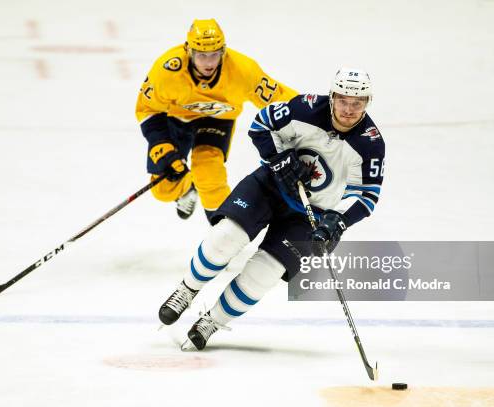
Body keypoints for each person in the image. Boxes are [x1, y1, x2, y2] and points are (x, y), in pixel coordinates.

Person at [158, 67, 386, 350]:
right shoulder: (305, 107)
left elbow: (367, 196)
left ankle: (211, 321)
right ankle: (186, 290)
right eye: (343, 100)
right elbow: (261, 124)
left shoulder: (371, 144)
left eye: (357, 103)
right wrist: (279, 160)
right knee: (225, 237)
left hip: (309, 215)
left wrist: (337, 222)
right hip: (268, 187)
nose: (349, 109)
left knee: (264, 274)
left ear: (368, 102)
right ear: (332, 96)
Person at [136, 19, 297, 223]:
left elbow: (280, 99)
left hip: (218, 120)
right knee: (163, 189)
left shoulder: (243, 70)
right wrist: (162, 146)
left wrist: (315, 115)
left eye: (214, 54)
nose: (209, 62)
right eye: (201, 55)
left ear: (223, 50)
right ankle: (189, 185)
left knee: (208, 169)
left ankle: (225, 227)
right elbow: (148, 109)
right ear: (189, 51)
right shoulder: (167, 71)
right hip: (177, 118)